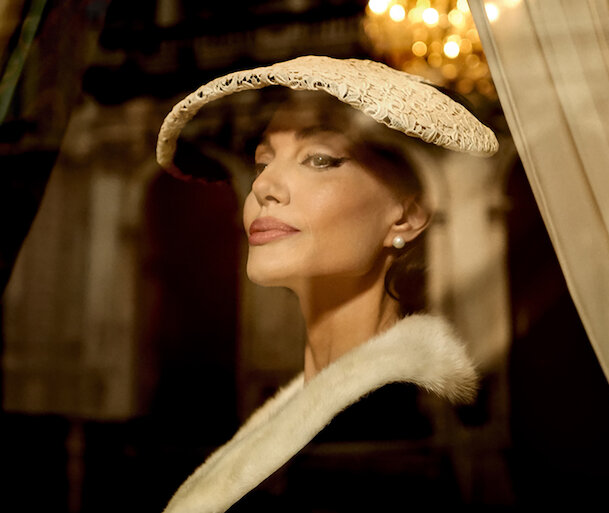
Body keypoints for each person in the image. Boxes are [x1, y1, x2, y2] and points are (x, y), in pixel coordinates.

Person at [155, 56, 498, 512]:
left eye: (318, 159)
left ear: (407, 216)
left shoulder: (376, 445)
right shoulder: (318, 417)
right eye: (262, 162)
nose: (264, 187)